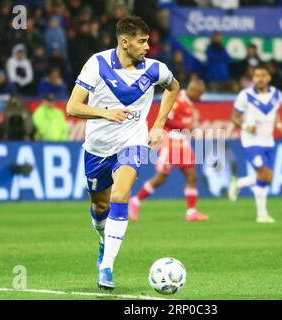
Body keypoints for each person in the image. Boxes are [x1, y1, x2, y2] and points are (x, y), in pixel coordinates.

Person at [66, 16, 180, 290]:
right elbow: (72, 107)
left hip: (132, 143)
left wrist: (159, 125)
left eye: (148, 40)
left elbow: (173, 87)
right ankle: (104, 241)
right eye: (142, 41)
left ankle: (107, 267)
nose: (147, 46)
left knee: (120, 195)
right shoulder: (98, 64)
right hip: (96, 149)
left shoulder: (155, 69)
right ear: (125, 42)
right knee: (100, 207)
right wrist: (105, 113)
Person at [128, 79, 208, 222]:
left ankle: (191, 212)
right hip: (170, 141)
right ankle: (135, 201)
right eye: (200, 94)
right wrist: (185, 127)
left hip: (183, 142)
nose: (200, 98)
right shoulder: (178, 99)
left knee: (191, 175)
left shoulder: (189, 103)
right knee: (161, 178)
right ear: (194, 91)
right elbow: (166, 119)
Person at [228, 65, 282, 223]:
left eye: (263, 75)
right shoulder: (245, 95)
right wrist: (246, 126)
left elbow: (276, 112)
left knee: (268, 178)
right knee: (262, 174)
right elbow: (235, 117)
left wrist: (279, 125)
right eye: (257, 75)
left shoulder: (276, 94)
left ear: (269, 78)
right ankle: (262, 215)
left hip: (269, 140)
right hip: (251, 141)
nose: (260, 78)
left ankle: (239, 183)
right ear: (253, 78)